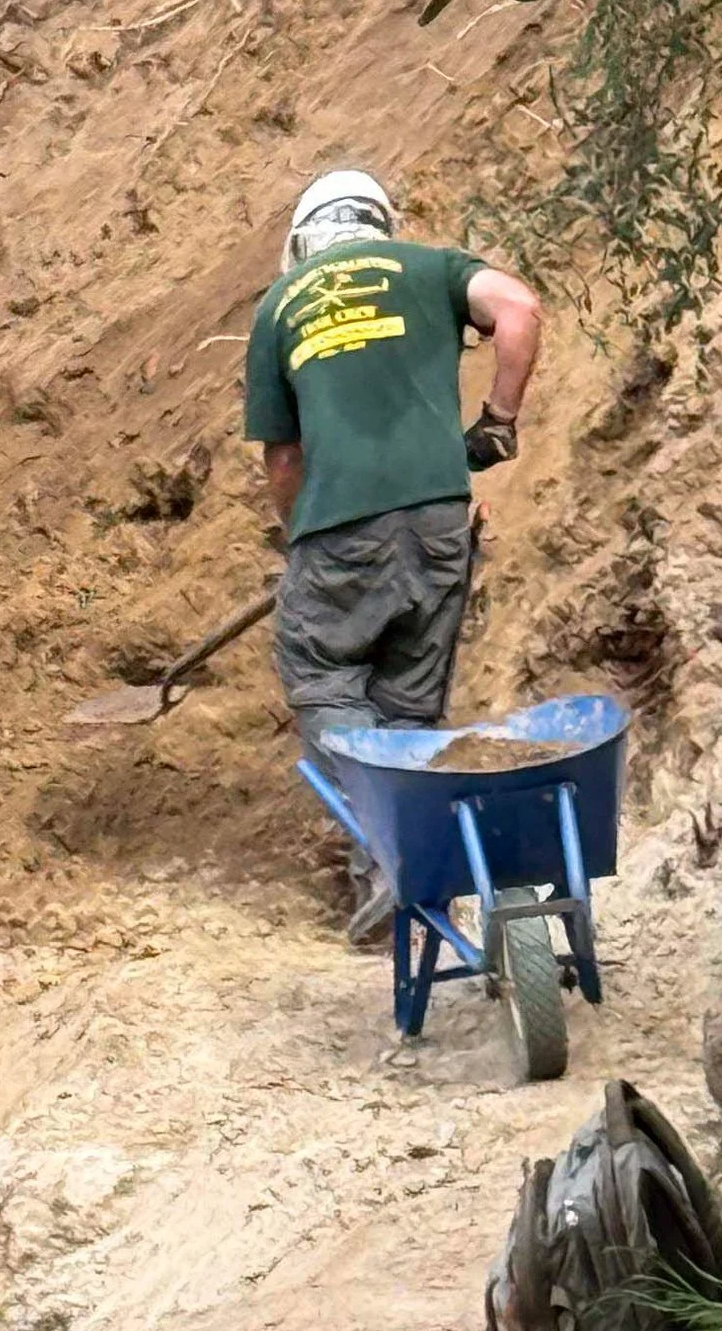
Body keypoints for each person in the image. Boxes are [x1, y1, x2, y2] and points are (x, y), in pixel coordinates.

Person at [243, 168, 543, 938]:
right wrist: (499, 420)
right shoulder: (432, 267)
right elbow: (519, 310)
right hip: (443, 519)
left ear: (304, 238)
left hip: (339, 525)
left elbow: (284, 460)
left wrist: (299, 532)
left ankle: (391, 862)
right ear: (379, 224)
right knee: (407, 703)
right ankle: (412, 891)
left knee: (323, 673)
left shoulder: (281, 304)